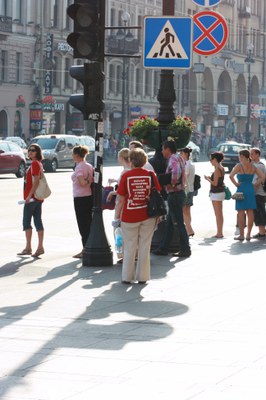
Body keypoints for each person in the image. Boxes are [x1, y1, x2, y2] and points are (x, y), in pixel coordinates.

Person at [113, 148, 161, 284]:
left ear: (131, 161)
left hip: (130, 216)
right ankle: (143, 277)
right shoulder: (151, 175)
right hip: (148, 215)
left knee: (129, 247)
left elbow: (121, 199)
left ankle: (127, 277)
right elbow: (157, 192)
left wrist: (117, 217)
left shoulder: (127, 176)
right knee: (145, 247)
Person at [153, 140, 191, 258]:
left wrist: (172, 184)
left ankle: (185, 249)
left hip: (175, 193)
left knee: (179, 223)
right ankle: (163, 248)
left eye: (163, 149)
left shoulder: (173, 159)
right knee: (170, 223)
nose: (162, 152)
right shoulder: (179, 157)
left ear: (168, 149)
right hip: (178, 193)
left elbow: (176, 173)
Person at [229, 149, 265, 241]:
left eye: (239, 156)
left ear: (243, 156)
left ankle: (241, 235)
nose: (239, 158)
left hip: (241, 189)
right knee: (250, 212)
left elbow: (231, 176)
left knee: (241, 213)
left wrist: (236, 184)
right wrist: (255, 184)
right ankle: (248, 234)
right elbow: (263, 177)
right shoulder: (253, 166)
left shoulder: (239, 166)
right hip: (250, 189)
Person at [17, 144, 45, 257]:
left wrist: (29, 196)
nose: (30, 152)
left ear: (38, 152)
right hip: (37, 198)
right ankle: (39, 247)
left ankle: (29, 247)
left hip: (32, 199)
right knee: (38, 221)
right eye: (29, 150)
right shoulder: (38, 163)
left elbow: (36, 181)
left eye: (33, 151)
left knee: (26, 222)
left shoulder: (35, 163)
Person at [71, 145, 94, 258]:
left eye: (73, 154)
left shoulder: (79, 167)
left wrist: (86, 181)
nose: (72, 156)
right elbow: (89, 181)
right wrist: (88, 181)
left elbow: (82, 183)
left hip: (80, 198)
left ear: (76, 155)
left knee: (82, 224)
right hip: (88, 196)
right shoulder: (89, 166)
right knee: (88, 222)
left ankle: (85, 248)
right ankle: (89, 245)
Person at [204, 151, 225, 238]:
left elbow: (215, 183)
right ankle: (220, 232)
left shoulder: (217, 170)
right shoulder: (221, 168)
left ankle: (219, 233)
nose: (210, 161)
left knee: (218, 214)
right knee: (220, 213)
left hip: (216, 193)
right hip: (220, 192)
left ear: (215, 159)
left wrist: (208, 179)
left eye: (211, 159)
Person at [250, 147, 266, 238]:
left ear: (257, 155)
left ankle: (262, 233)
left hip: (258, 193)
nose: (251, 155)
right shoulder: (260, 165)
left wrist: (252, 191)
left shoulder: (258, 166)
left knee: (259, 213)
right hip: (261, 193)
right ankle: (262, 231)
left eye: (252, 154)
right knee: (260, 212)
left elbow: (256, 180)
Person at [180, 147, 195, 237]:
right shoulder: (191, 164)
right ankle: (188, 229)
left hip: (186, 190)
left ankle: (189, 230)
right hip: (191, 189)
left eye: (181, 153)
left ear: (185, 154)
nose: (180, 155)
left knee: (184, 211)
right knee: (187, 211)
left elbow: (184, 177)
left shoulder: (186, 165)